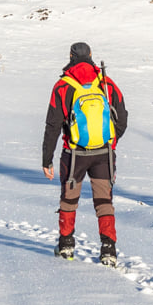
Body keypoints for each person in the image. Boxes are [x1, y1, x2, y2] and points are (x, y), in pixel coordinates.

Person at [41, 41, 129, 264]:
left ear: (70, 56)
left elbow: (52, 125)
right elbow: (123, 116)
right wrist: (111, 140)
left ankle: (66, 247)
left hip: (74, 155)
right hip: (104, 153)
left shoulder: (63, 86)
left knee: (69, 201)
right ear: (91, 55)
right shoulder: (106, 83)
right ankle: (108, 250)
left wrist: (47, 160)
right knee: (104, 201)